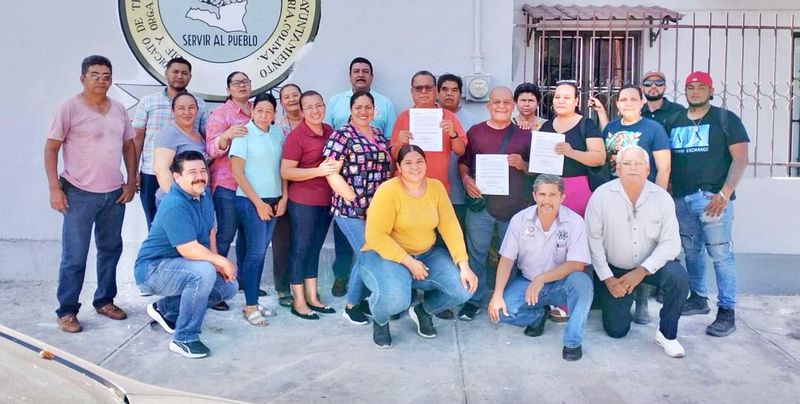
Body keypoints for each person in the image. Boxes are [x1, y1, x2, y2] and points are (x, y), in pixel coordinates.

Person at [44, 55, 136, 333]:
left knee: (110, 250)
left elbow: (129, 147)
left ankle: (105, 301)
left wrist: (130, 182)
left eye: (106, 75)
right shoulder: (69, 108)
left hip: (113, 195)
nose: (101, 80)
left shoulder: (119, 109)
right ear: (83, 78)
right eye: (94, 75)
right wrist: (54, 188)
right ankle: (67, 310)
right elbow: (51, 149)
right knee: (75, 255)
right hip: (79, 193)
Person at [358, 145, 478, 348]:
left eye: (419, 161)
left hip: (427, 254)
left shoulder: (436, 187)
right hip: (385, 256)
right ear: (399, 167)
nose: (415, 167)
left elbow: (450, 226)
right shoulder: (388, 191)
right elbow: (375, 235)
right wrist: (409, 262)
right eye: (408, 162)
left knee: (464, 290)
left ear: (426, 164)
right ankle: (380, 321)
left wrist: (463, 264)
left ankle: (423, 311)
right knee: (397, 300)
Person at [665, 71, 750, 337]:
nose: (695, 91)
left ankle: (726, 311)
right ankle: (698, 297)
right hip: (681, 198)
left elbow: (740, 159)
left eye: (702, 87)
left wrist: (724, 194)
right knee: (692, 252)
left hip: (713, 199)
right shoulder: (674, 120)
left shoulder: (725, 119)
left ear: (711, 91)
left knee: (721, 256)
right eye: (691, 87)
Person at [586, 145, 689, 358]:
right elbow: (593, 240)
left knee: (678, 277)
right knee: (616, 331)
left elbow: (671, 244)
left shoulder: (662, 198)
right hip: (616, 272)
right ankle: (628, 299)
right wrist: (607, 279)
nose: (633, 168)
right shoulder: (601, 196)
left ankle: (667, 335)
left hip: (651, 267)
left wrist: (641, 271)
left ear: (647, 169)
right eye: (627, 163)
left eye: (638, 163)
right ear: (617, 169)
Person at [135, 151, 238, 358]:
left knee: (228, 287)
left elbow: (210, 231)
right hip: (152, 270)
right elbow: (188, 249)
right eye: (192, 172)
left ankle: (166, 309)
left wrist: (217, 262)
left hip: (178, 264)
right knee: (202, 273)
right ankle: (184, 338)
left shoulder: (203, 194)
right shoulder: (174, 204)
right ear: (177, 177)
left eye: (202, 171)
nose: (199, 176)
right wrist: (219, 260)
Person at [487, 174, 593, 361]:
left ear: (562, 198)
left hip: (561, 284)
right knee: (501, 313)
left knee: (583, 284)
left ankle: (572, 342)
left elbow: (577, 264)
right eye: (542, 194)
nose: (546, 200)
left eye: (552, 195)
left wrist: (542, 278)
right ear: (534, 196)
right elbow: (506, 259)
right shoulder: (519, 220)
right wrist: (497, 295)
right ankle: (538, 315)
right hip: (528, 283)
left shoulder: (575, 222)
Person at [458, 86, 532, 321]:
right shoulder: (476, 132)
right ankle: (474, 300)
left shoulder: (524, 135)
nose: (501, 106)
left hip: (514, 208)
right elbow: (464, 163)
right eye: (496, 102)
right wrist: (466, 178)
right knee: (476, 255)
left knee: (510, 258)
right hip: (481, 206)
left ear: (513, 106)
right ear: (488, 106)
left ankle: (506, 300)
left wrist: (523, 165)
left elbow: (539, 171)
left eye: (506, 102)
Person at [325, 58, 396, 299]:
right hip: (350, 208)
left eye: (368, 108)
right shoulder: (342, 135)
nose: (363, 112)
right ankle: (353, 304)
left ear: (374, 111)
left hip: (376, 208)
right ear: (351, 110)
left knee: (367, 254)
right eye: (358, 108)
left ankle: (361, 299)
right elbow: (331, 171)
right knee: (368, 253)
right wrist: (353, 199)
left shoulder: (377, 134)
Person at [280, 90, 338, 320]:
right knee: (300, 249)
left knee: (314, 249)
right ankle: (299, 300)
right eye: (310, 107)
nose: (315, 110)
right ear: (302, 112)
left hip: (326, 201)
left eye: (319, 105)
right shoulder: (297, 136)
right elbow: (286, 171)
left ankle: (313, 296)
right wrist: (318, 171)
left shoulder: (329, 131)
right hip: (303, 202)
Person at [230, 92, 286, 326]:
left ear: (275, 114)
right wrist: (258, 203)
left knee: (261, 252)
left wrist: (284, 197)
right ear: (252, 111)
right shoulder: (243, 133)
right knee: (255, 253)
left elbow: (283, 167)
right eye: (260, 110)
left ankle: (253, 300)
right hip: (251, 201)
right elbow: (237, 172)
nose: (264, 115)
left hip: (274, 199)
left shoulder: (277, 133)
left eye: (269, 111)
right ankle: (250, 306)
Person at [206, 71, 261, 303]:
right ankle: (214, 289)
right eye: (237, 83)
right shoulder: (220, 114)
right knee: (225, 236)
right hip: (228, 184)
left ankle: (245, 283)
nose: (242, 86)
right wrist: (226, 135)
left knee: (249, 238)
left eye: (245, 82)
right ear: (228, 89)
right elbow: (210, 149)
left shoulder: (258, 110)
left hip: (254, 185)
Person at [133, 57, 208, 228]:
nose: (179, 76)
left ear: (190, 76)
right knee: (156, 226)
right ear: (166, 72)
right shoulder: (148, 102)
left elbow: (205, 138)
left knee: (186, 226)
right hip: (152, 173)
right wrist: (133, 172)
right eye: (175, 71)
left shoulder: (199, 105)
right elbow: (137, 138)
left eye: (184, 73)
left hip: (187, 176)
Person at [391, 70, 468, 192]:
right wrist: (399, 143)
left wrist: (453, 135)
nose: (423, 92)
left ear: (436, 91)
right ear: (412, 92)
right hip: (406, 188)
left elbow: (460, 151)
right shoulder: (403, 117)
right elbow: (394, 156)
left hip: (437, 186)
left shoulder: (448, 116)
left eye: (428, 88)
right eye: (418, 88)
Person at [538, 81, 606, 217]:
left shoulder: (586, 124)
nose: (561, 101)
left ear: (576, 101)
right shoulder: (546, 127)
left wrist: (571, 153)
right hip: (550, 189)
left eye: (566, 97)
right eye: (557, 97)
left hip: (578, 189)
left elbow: (600, 158)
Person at [271, 83, 303, 308]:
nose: (292, 99)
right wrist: (283, 193)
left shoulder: (313, 122)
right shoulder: (276, 127)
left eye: (295, 95)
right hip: (281, 187)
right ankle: (282, 287)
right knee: (282, 241)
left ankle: (300, 284)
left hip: (307, 190)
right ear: (281, 103)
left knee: (303, 241)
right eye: (286, 97)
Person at [437, 73, 480, 230]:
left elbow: (474, 156)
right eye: (445, 89)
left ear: (460, 94)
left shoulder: (472, 121)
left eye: (454, 90)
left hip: (459, 193)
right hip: (431, 192)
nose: (449, 94)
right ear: (437, 92)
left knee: (457, 238)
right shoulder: (425, 117)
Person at [152, 92, 208, 201]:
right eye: (181, 108)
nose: (187, 112)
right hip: (178, 201)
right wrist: (178, 199)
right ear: (173, 111)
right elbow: (161, 169)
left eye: (191, 107)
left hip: (197, 197)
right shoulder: (169, 134)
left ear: (197, 110)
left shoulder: (197, 134)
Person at [325, 57, 396, 136]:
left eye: (365, 72)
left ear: (372, 77)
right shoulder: (335, 101)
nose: (361, 75)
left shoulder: (385, 103)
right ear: (350, 76)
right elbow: (326, 135)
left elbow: (390, 139)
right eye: (356, 71)